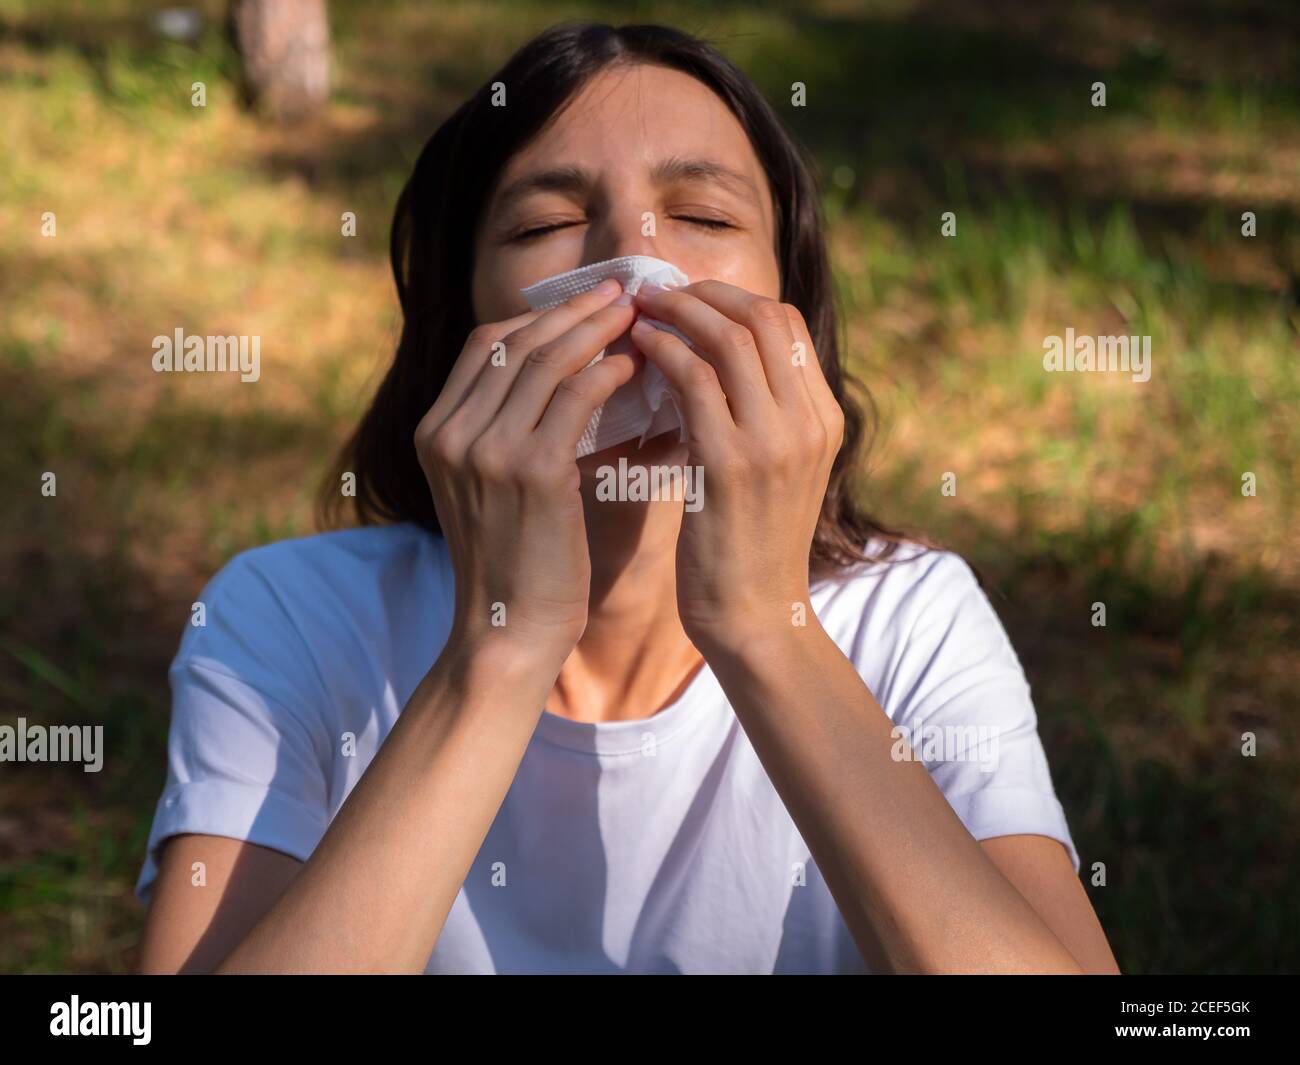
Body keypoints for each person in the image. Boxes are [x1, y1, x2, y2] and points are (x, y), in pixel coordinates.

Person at [133, 21, 1119, 974]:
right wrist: (502, 648)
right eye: (547, 224)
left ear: (792, 311)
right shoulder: (290, 619)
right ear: (459, 315)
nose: (638, 268)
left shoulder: (910, 618)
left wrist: (764, 631)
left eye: (703, 217)